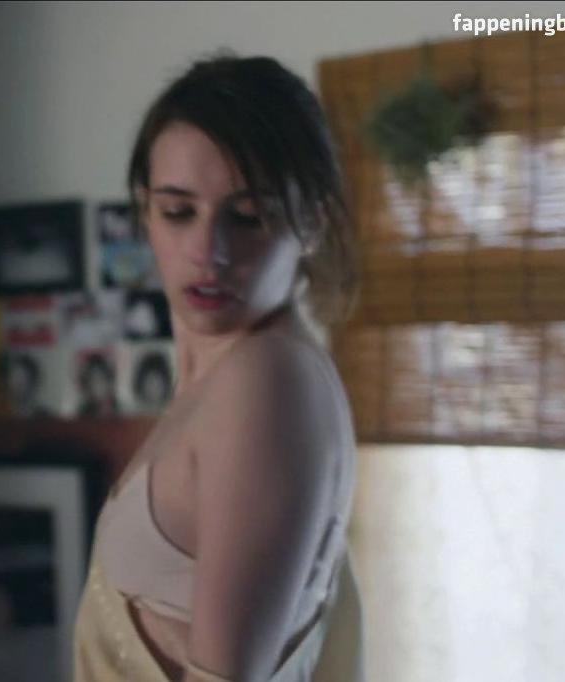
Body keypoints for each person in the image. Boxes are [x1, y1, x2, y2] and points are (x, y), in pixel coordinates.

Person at [72, 52, 363, 682]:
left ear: (312, 221)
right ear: (145, 211)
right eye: (179, 212)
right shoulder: (229, 377)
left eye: (249, 216)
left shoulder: (265, 383)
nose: (208, 251)